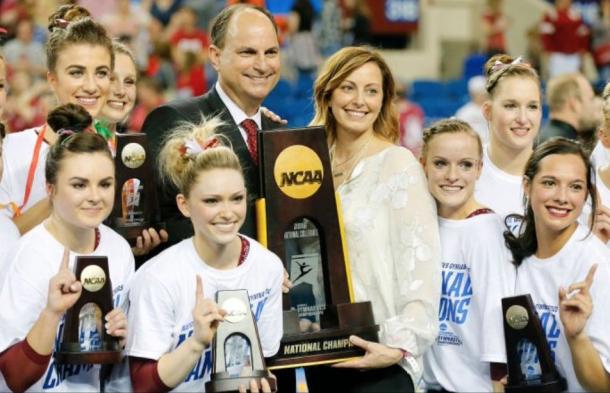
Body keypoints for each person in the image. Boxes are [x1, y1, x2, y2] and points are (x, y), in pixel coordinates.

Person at [306, 46, 441, 392]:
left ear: (384, 99)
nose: (359, 100)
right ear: (328, 92)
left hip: (380, 358)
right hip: (320, 354)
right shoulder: (307, 162)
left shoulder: (398, 164)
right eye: (348, 87)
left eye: (371, 90)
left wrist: (398, 346)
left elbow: (421, 266)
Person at [125, 117, 283, 392]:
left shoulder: (268, 266)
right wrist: (196, 342)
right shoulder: (157, 277)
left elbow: (266, 360)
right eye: (212, 201)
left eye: (236, 198)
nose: (227, 212)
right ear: (184, 206)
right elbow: (142, 385)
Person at [0, 129, 134, 392]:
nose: (95, 196)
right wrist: (51, 313)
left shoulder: (118, 249)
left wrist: (119, 337)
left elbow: (113, 371)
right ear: (50, 189)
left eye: (105, 184)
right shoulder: (28, 256)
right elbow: (13, 379)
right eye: (79, 185)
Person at [142, 3, 282, 245]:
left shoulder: (281, 134)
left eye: (271, 52)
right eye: (248, 52)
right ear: (216, 57)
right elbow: (157, 226)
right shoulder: (174, 120)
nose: (262, 65)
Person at [503, 137, 610, 391]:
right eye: (550, 183)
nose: (562, 197)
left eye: (575, 187)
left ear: (586, 194)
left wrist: (577, 337)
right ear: (527, 186)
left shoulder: (595, 265)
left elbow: (603, 386)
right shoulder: (513, 252)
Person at [0, 4, 113, 235]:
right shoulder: (12, 151)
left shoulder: (120, 154)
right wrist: (58, 196)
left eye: (101, 73)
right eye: (76, 73)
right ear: (52, 79)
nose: (91, 86)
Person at [419, 119, 514, 392]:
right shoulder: (423, 224)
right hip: (432, 383)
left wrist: (499, 383)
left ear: (479, 169)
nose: (452, 175)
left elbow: (497, 314)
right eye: (440, 163)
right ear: (423, 164)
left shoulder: (485, 229)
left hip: (476, 385)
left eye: (465, 165)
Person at [98, 41, 169, 257]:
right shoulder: (64, 148)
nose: (121, 91)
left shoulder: (133, 150)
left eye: (129, 81)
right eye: (111, 79)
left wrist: (132, 249)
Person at [475, 54, 542, 230]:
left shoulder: (556, 174)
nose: (523, 118)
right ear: (488, 111)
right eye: (510, 106)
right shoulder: (465, 171)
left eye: (532, 106)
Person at [538, 73, 599, 145]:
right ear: (575, 104)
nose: (594, 106)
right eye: (591, 99)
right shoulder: (566, 147)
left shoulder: (539, 139)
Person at [540, 0, 589, 78]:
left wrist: (582, 48)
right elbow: (546, 35)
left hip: (573, 54)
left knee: (573, 79)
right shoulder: (551, 14)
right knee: (557, 78)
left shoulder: (576, 15)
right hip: (557, 55)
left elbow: (583, 33)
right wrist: (548, 50)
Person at [455, 75, 489, 144]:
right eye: (479, 93)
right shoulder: (464, 112)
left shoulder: (493, 110)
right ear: (472, 94)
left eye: (483, 93)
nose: (482, 96)